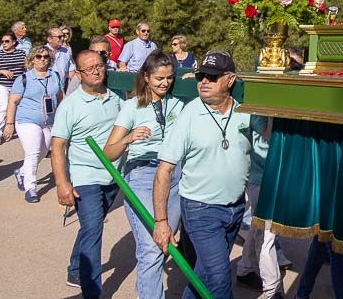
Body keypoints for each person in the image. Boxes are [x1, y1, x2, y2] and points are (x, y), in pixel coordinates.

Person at [153, 51, 253, 299]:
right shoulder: (189, 115)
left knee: (204, 276)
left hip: (235, 208)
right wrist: (161, 222)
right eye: (201, 76)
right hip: (200, 210)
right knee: (219, 280)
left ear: (230, 80)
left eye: (212, 76)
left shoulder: (245, 112)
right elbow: (164, 170)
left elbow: (269, 140)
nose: (204, 82)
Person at [103, 52, 186, 299]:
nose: (165, 83)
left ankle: (145, 292)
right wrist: (129, 138)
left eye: (170, 78)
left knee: (164, 245)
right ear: (146, 77)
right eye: (159, 78)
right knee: (151, 247)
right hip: (142, 173)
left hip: (173, 174)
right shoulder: (131, 107)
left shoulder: (178, 105)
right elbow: (108, 152)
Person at [52, 49, 123, 296]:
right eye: (88, 68)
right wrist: (62, 183)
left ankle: (75, 266)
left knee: (89, 226)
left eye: (99, 66)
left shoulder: (117, 100)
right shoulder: (70, 106)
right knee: (94, 228)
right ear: (79, 74)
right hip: (85, 176)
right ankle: (93, 292)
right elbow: (58, 146)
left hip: (113, 177)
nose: (95, 71)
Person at [237, 114, 295, 298]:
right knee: (266, 236)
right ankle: (273, 290)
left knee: (257, 228)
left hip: (274, 176)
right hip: (260, 179)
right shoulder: (258, 112)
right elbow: (269, 134)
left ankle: (244, 269)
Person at [3, 45, 64, 202]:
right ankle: (31, 188)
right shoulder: (23, 78)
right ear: (32, 59)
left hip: (49, 121)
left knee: (43, 152)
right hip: (27, 120)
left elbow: (60, 97)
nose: (42, 59)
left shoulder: (55, 76)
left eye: (46, 57)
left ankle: (22, 171)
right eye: (39, 56)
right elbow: (13, 101)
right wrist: (9, 124)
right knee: (33, 152)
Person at [0, 31, 27, 145]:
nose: (4, 43)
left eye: (7, 41)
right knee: (4, 107)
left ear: (14, 42)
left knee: (19, 107)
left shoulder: (21, 54)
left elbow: (27, 68)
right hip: (1, 84)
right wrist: (1, 71)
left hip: (18, 84)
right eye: (2, 41)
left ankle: (18, 129)